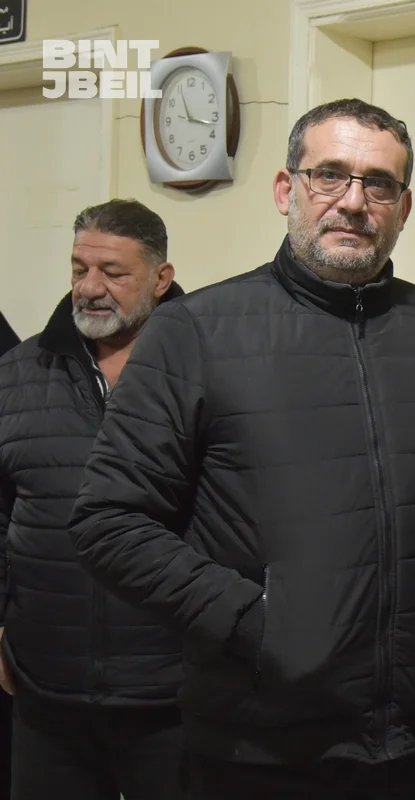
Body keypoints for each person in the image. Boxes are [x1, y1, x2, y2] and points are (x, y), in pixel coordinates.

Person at [69, 99, 415, 800]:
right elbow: (108, 521)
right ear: (284, 190)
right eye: (328, 175)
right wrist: (256, 622)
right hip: (256, 748)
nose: (353, 201)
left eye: (379, 183)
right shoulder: (196, 332)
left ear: (404, 206)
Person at [0, 199, 184, 800]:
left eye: (113, 272)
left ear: (161, 278)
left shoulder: (209, 372)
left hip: (177, 695)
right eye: (79, 269)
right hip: (46, 690)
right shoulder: (17, 373)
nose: (89, 288)